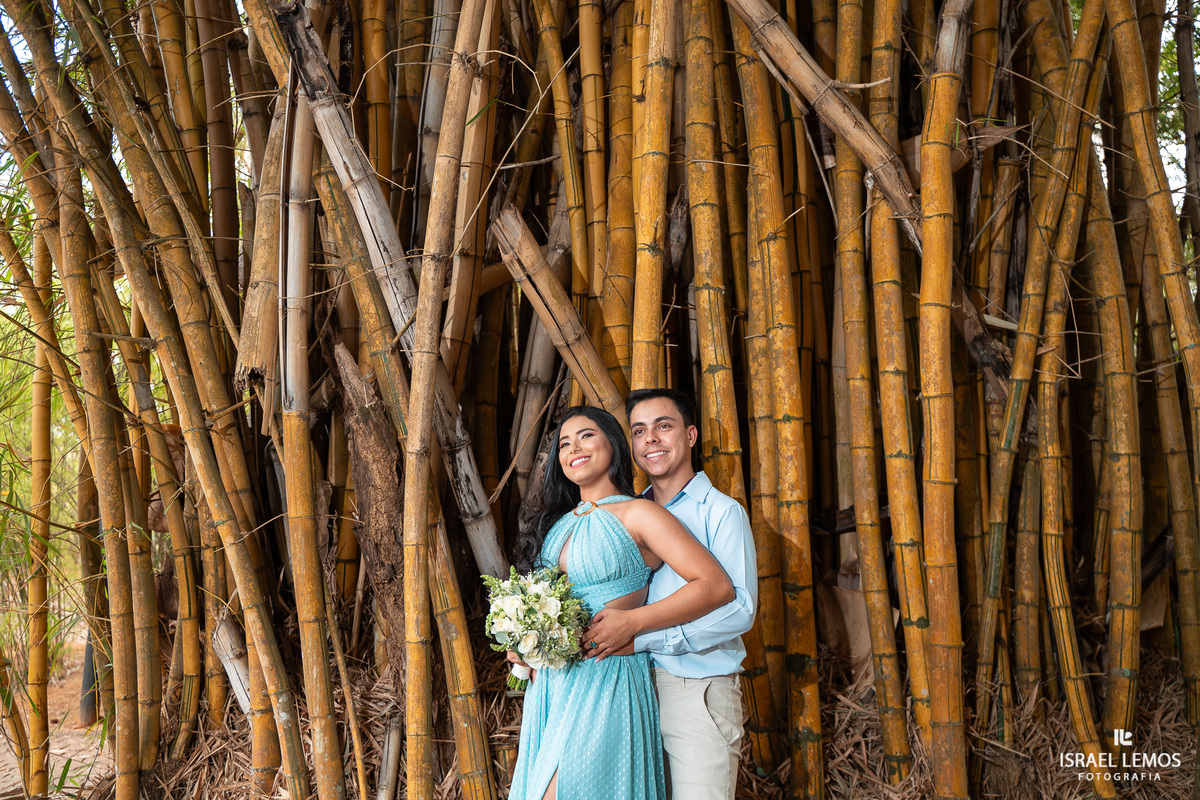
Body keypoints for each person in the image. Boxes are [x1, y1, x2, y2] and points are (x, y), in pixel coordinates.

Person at [507, 406, 734, 800]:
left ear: (613, 442)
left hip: (607, 676)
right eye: (564, 443)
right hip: (553, 686)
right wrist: (527, 644)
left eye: (585, 436)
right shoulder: (557, 524)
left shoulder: (640, 513)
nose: (573, 448)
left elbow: (715, 586)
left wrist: (634, 622)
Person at [584, 388, 757, 800]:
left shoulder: (721, 511)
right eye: (640, 431)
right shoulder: (622, 515)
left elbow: (739, 610)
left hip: (696, 688)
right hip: (629, 690)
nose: (651, 439)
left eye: (665, 426)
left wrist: (643, 635)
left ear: (691, 435)